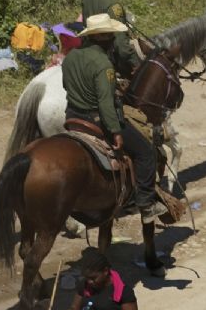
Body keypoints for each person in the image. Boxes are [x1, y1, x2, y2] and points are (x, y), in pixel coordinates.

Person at [62, 14, 166, 222]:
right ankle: (145, 203)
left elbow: (66, 86)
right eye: (110, 35)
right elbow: (105, 103)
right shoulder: (103, 64)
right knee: (146, 152)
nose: (113, 40)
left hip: (72, 116)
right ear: (102, 37)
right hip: (96, 120)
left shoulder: (71, 57)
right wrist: (115, 131)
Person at [81, 0, 140, 78]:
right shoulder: (113, 4)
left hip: (88, 51)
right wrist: (137, 63)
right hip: (109, 59)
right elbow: (121, 45)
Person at [68, 249, 138, 310]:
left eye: (93, 278)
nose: (89, 282)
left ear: (105, 271)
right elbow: (74, 309)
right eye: (87, 278)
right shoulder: (84, 285)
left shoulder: (124, 293)